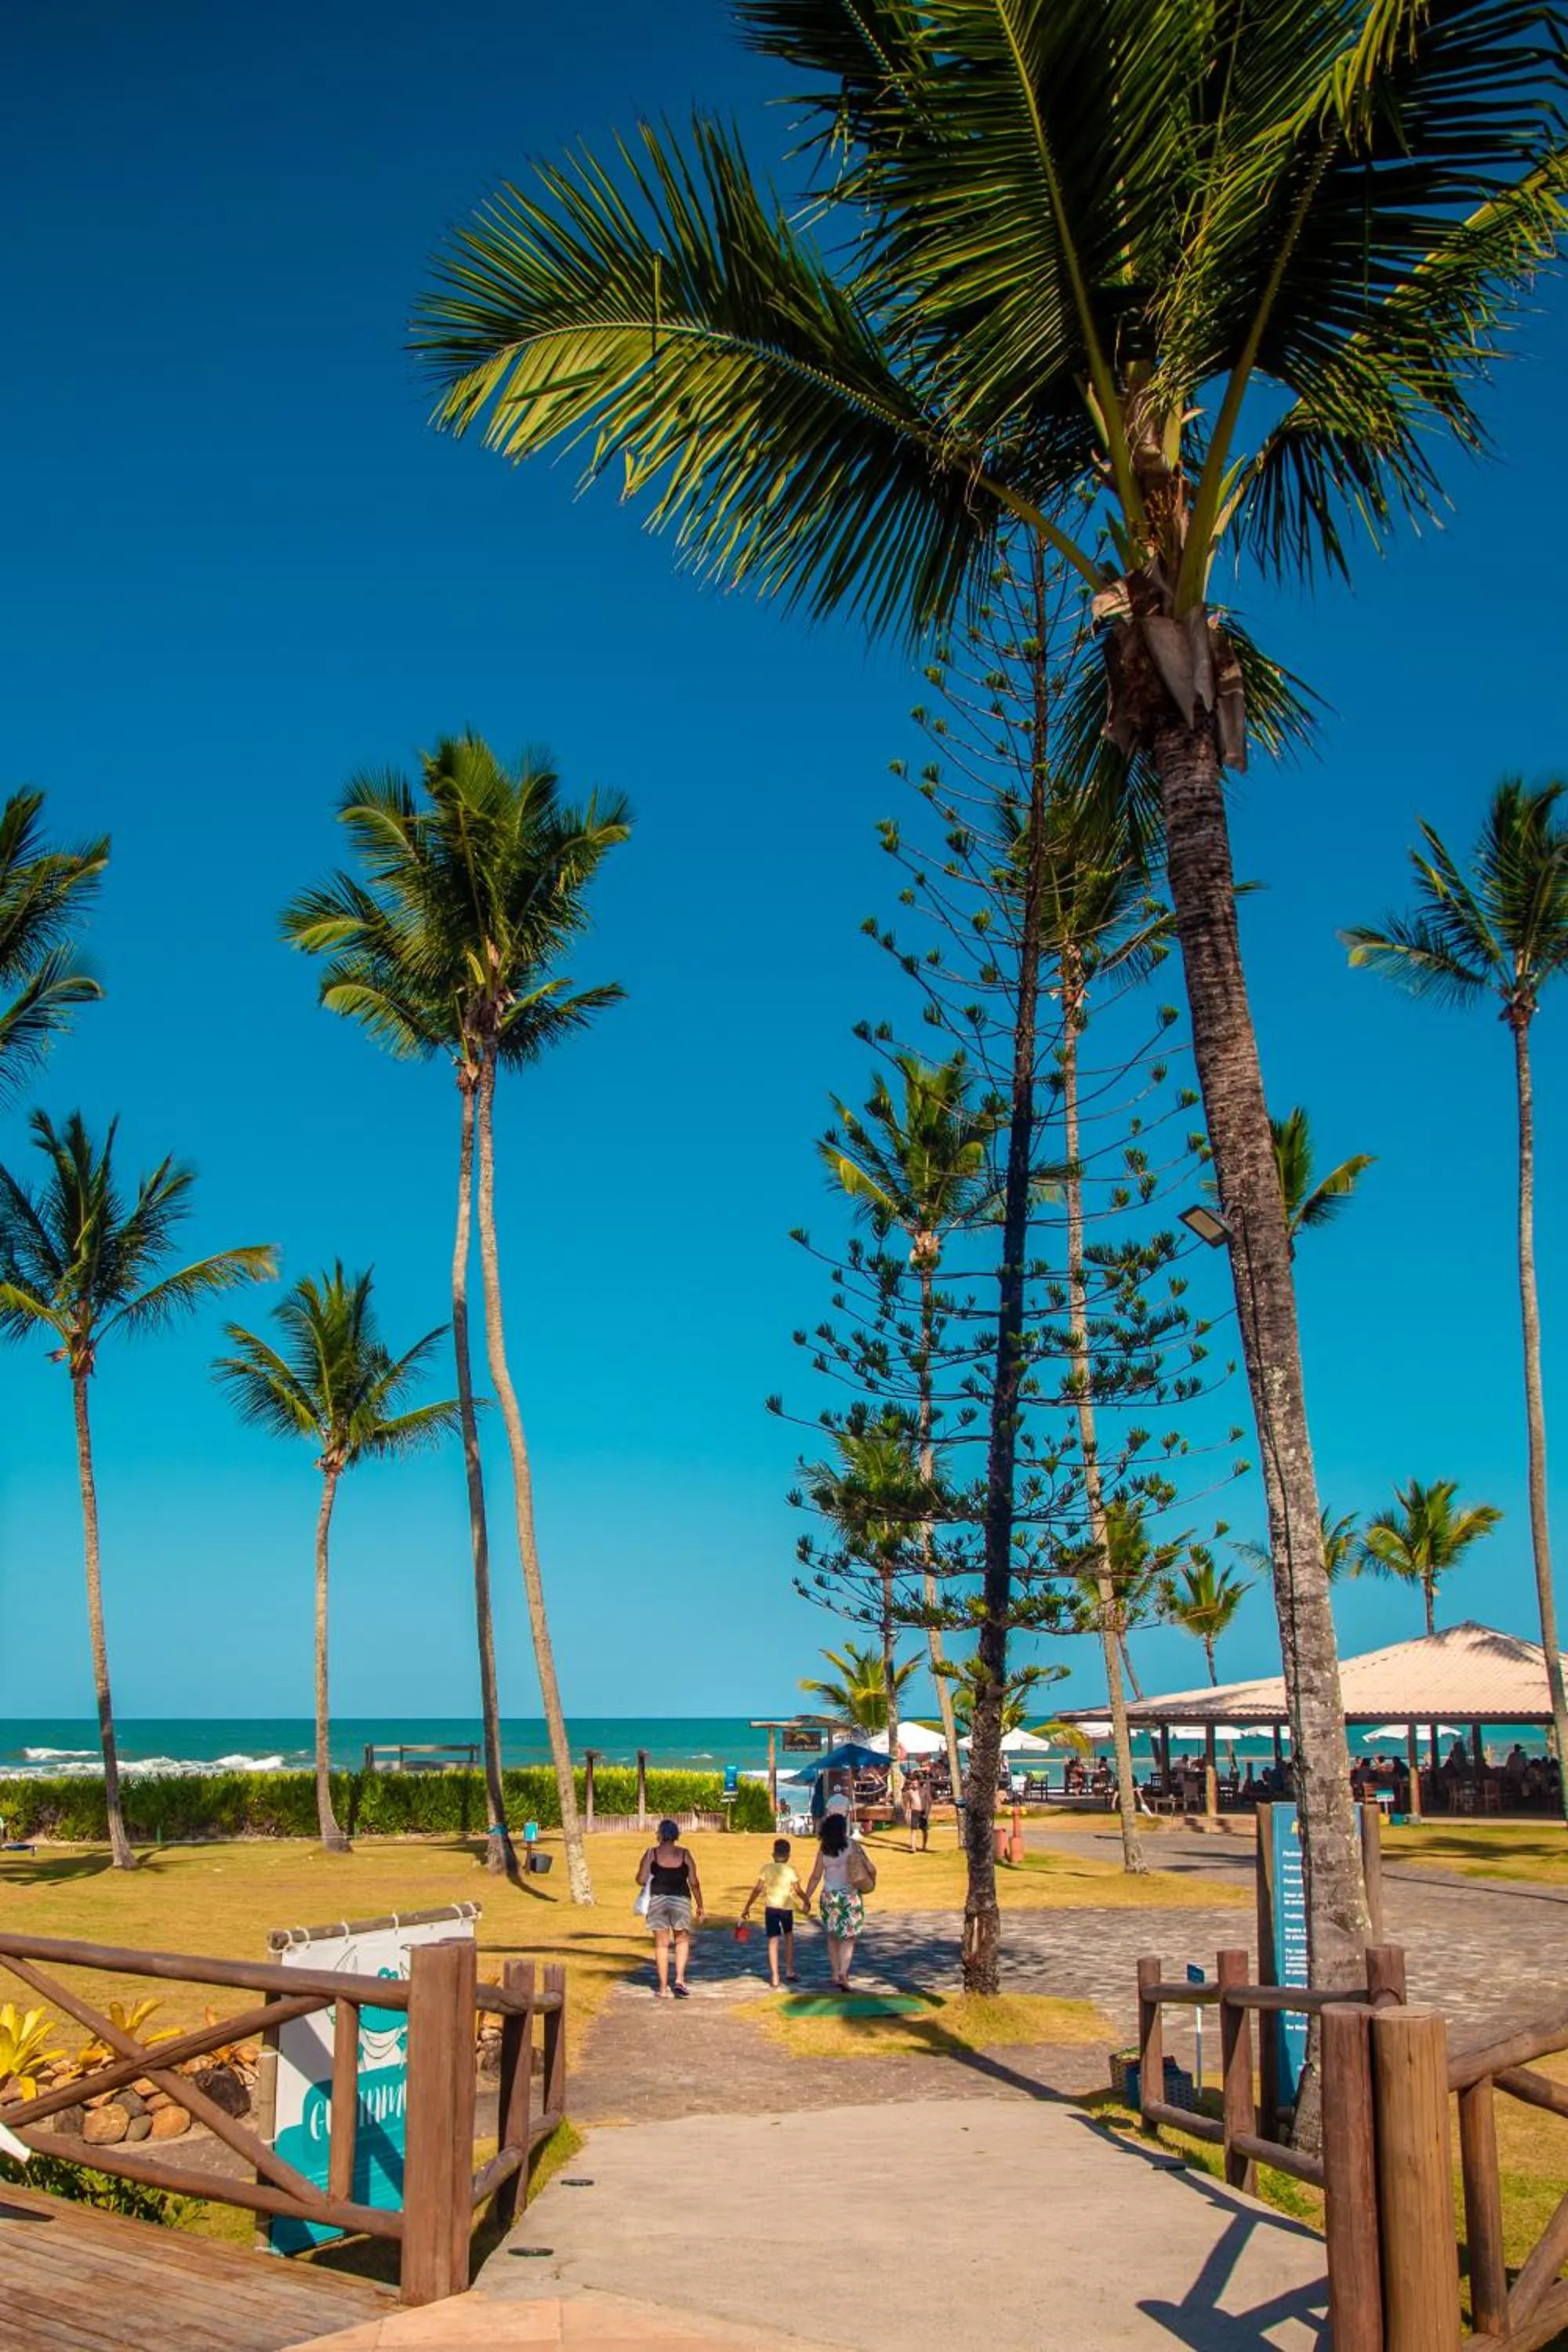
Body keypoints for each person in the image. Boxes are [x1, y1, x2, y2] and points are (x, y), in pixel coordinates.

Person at [804, 1812, 875, 1991]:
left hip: (830, 1897)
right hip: (849, 1895)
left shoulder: (824, 1850)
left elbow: (815, 1876)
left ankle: (835, 1973)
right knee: (849, 1937)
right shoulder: (852, 1846)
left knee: (833, 1936)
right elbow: (870, 1867)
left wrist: (806, 1897)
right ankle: (844, 1971)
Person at [636, 1817, 705, 1999]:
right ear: (676, 1835)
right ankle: (680, 1979)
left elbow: (641, 1880)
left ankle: (663, 1989)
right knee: (682, 1940)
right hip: (681, 1901)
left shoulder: (651, 1854)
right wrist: (700, 1905)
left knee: (661, 1945)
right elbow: (694, 1882)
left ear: (659, 1834)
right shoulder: (685, 1854)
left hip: (658, 1901)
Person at [740, 1837, 810, 1987]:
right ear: (788, 1855)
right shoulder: (790, 1870)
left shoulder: (766, 1869)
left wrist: (747, 1906)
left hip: (771, 1908)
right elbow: (797, 1889)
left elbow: (758, 1889)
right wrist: (807, 1901)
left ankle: (775, 1976)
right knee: (789, 1936)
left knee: (773, 1940)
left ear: (773, 1854)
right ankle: (789, 1970)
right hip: (786, 1908)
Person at [905, 1766, 931, 1853]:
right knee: (913, 1830)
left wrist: (927, 1812)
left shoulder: (924, 1790)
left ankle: (924, 1845)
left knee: (925, 1830)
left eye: (916, 1783)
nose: (914, 1785)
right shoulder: (910, 1792)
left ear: (919, 1783)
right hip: (914, 1811)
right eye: (913, 1783)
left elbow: (929, 1801)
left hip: (923, 1811)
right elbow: (908, 1805)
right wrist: (908, 1814)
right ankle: (913, 1847)